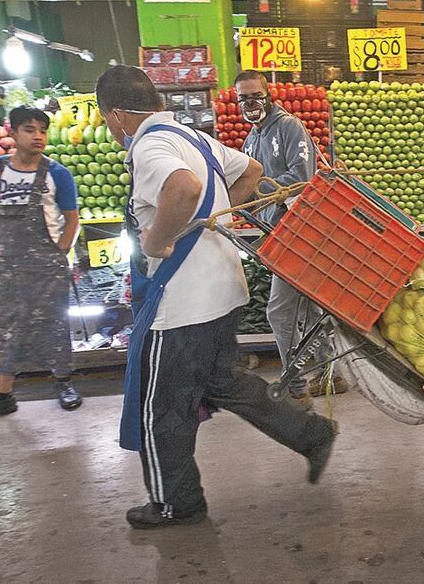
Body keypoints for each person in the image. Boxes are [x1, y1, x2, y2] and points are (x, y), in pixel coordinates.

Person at [96, 65, 336, 530]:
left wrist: (156, 241)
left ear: (120, 115)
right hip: (224, 288)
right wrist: (217, 217)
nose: (111, 128)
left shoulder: (150, 145)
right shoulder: (193, 138)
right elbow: (251, 170)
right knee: (224, 382)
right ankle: (312, 434)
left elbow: (182, 188)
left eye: (108, 119)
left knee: (161, 403)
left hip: (183, 302)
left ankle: (175, 501)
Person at [0, 107, 82, 423]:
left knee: (53, 324)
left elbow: (71, 219)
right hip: (4, 267)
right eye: (29, 129)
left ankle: (64, 382)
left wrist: (59, 253)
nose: (37, 136)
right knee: (3, 328)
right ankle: (2, 395)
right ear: (13, 133)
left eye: (42, 130)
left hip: (45, 266)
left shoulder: (58, 174)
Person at [235, 70, 347, 408]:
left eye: (255, 95)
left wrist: (253, 191)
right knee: (309, 310)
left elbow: (301, 179)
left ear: (269, 95)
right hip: (277, 234)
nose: (250, 103)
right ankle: (331, 374)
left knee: (279, 312)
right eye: (243, 98)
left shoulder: (289, 127)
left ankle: (295, 385)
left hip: (300, 233)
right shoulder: (251, 140)